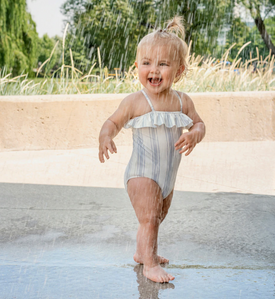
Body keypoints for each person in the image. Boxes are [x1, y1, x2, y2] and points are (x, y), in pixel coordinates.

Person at [98, 15, 206, 283]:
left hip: (167, 178)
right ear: (137, 66)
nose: (153, 70)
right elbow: (113, 121)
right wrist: (105, 136)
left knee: (157, 217)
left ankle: (141, 251)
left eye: (163, 64)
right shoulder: (136, 101)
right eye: (146, 63)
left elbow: (201, 124)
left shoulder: (182, 101)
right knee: (149, 217)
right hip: (142, 173)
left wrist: (194, 134)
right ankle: (149, 264)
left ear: (179, 71)